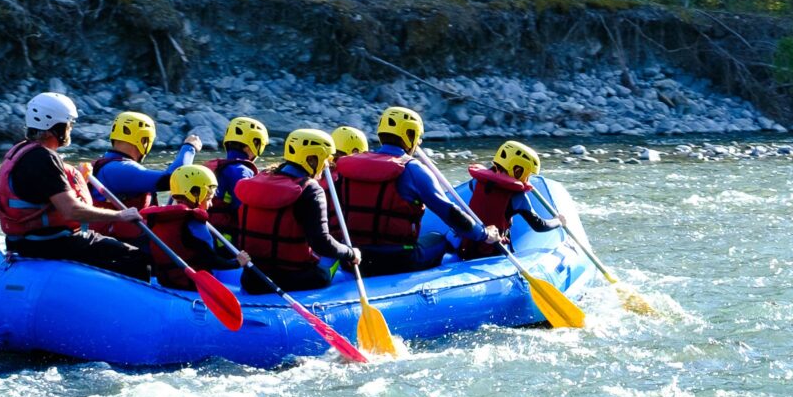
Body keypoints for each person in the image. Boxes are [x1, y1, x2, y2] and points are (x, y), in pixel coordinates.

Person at [0, 91, 154, 278]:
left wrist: (81, 181)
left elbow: (41, 194)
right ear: (55, 126)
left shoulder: (21, 151)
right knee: (136, 257)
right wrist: (120, 215)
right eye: (68, 124)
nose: (70, 129)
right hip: (50, 243)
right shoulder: (44, 158)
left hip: (19, 242)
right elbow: (71, 211)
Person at [326, 104, 502, 274]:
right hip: (399, 260)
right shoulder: (412, 169)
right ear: (409, 135)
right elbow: (450, 212)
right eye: (418, 137)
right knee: (439, 238)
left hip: (353, 259)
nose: (419, 142)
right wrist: (484, 234)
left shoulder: (347, 166)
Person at [230, 126, 362, 291]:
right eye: (326, 161)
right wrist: (350, 253)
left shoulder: (259, 179)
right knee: (333, 261)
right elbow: (321, 243)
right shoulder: (310, 190)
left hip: (252, 279)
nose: (327, 166)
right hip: (294, 280)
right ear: (312, 159)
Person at [457, 138, 564, 259]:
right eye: (527, 175)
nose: (527, 179)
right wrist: (558, 221)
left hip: (466, 245)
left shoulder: (477, 181)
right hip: (492, 251)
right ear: (518, 170)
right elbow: (539, 225)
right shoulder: (518, 197)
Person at [89, 110, 204, 205]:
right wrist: (189, 147)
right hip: (127, 233)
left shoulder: (108, 164)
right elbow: (174, 178)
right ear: (143, 140)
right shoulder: (121, 169)